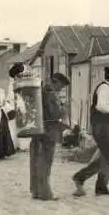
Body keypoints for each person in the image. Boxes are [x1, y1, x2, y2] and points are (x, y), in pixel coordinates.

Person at [72, 66, 109, 197]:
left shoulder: (107, 88)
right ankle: (87, 180)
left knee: (105, 155)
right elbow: (100, 106)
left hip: (103, 125)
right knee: (108, 156)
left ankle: (91, 182)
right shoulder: (105, 88)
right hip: (102, 126)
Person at [30, 72, 70, 201]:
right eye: (61, 86)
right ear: (56, 82)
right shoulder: (51, 94)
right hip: (49, 131)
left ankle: (35, 191)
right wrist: (64, 108)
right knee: (46, 162)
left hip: (37, 129)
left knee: (36, 160)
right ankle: (45, 193)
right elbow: (55, 114)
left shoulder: (40, 91)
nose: (61, 89)